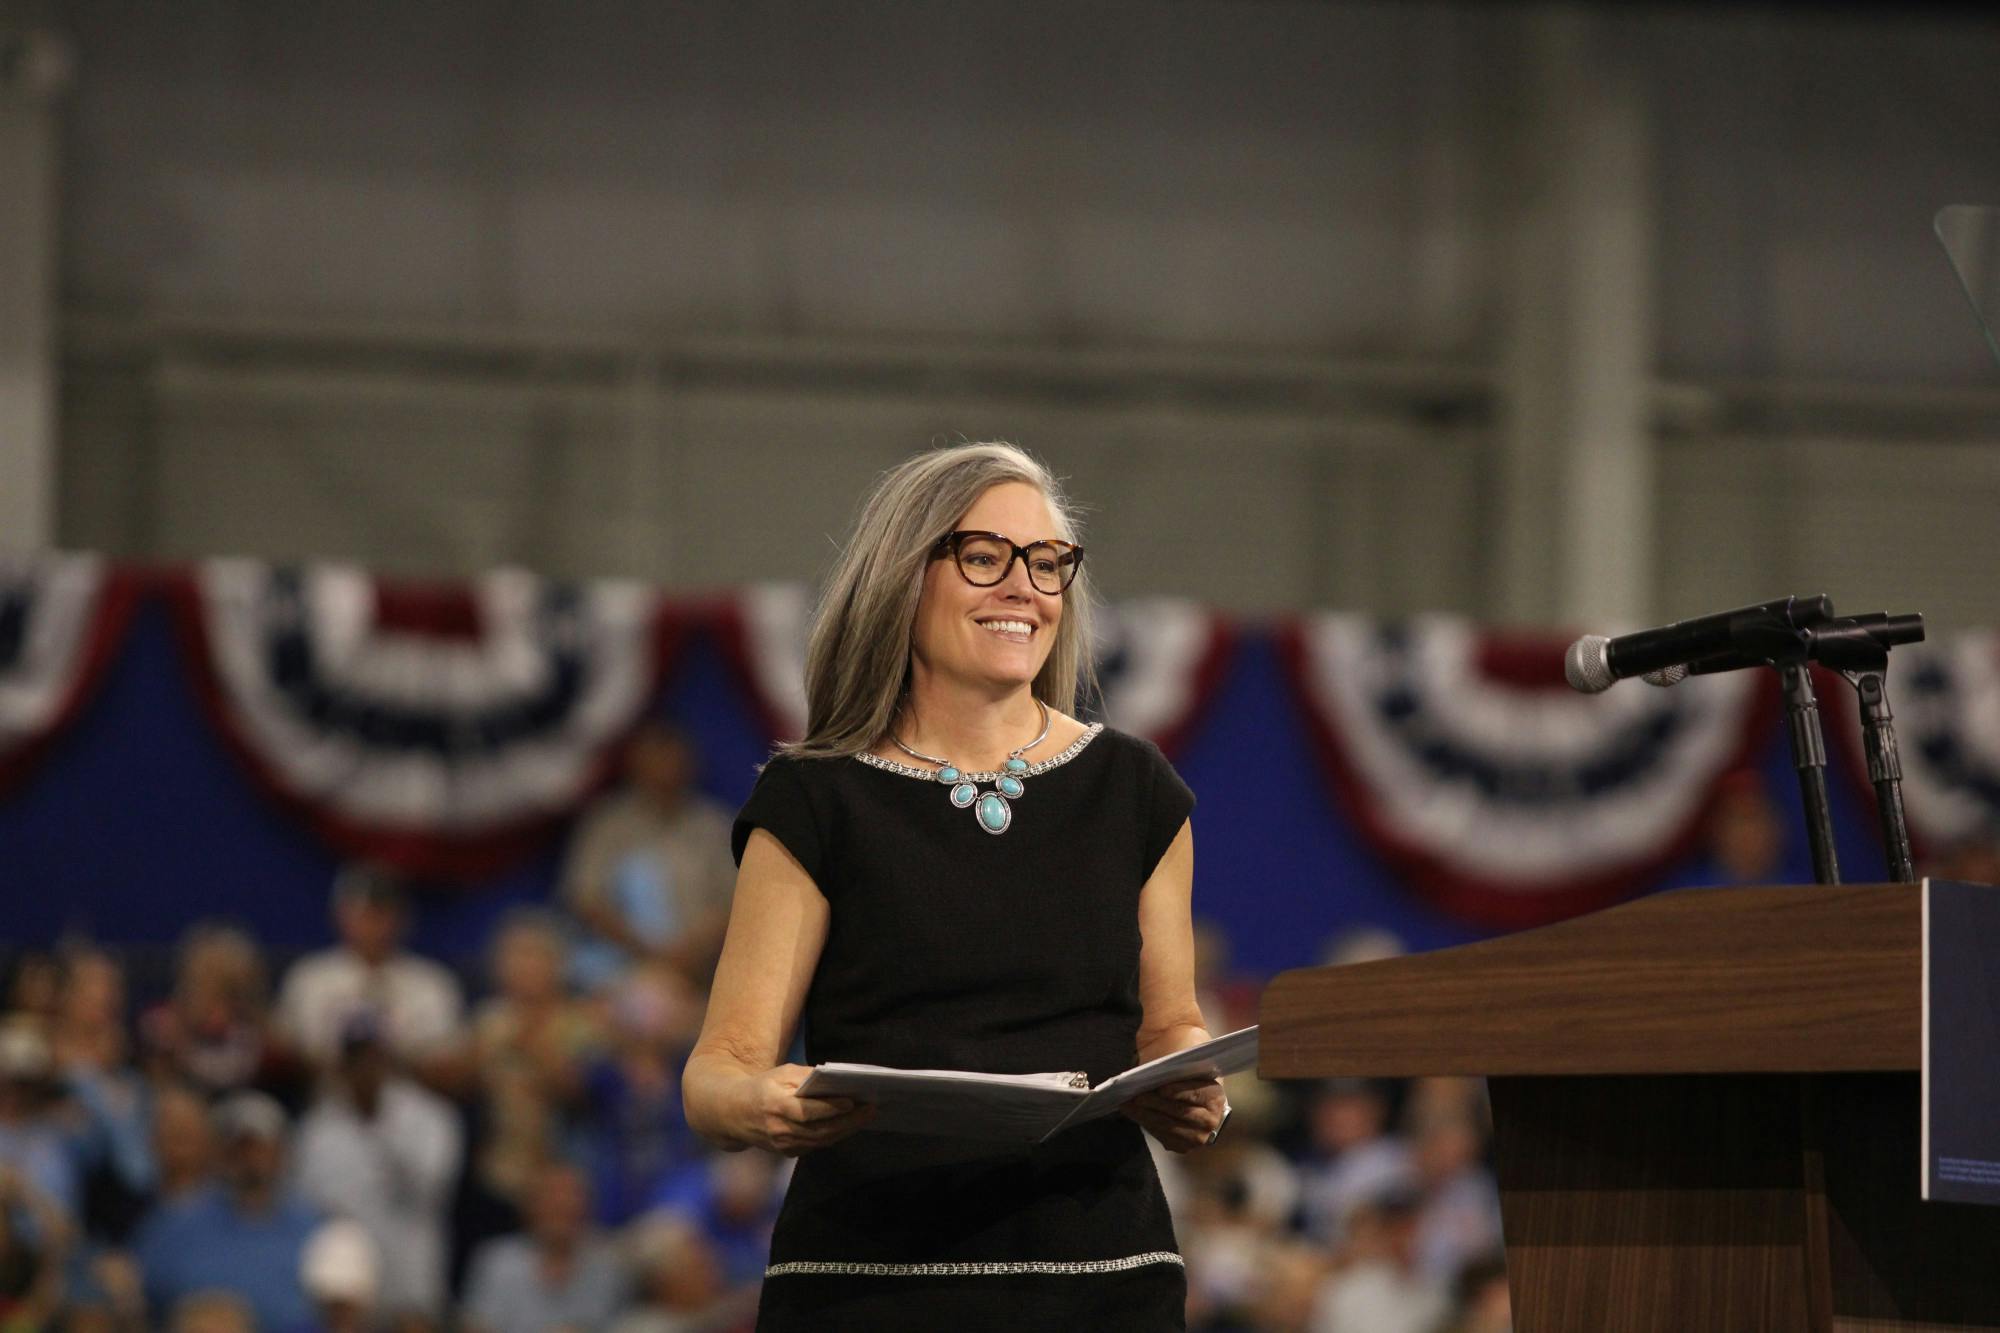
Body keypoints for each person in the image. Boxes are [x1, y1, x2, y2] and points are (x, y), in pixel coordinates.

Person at [681, 442, 1228, 1330]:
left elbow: (1171, 1027)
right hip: (869, 1282)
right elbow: (718, 1071)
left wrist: (1193, 1089)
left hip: (1099, 1281)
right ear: (906, 575)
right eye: (985, 557)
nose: (1025, 587)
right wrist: (762, 1103)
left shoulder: (1135, 788)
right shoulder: (819, 798)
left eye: (1047, 563)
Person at [559, 721, 738, 990]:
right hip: (620, 973)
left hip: (703, 971)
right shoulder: (608, 824)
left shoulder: (714, 825)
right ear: (634, 764)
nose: (666, 768)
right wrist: (647, 952)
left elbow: (736, 901)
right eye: (656, 758)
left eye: (673, 758)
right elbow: (586, 899)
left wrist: (688, 951)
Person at [275, 868, 464, 1082]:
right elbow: (292, 1054)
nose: (372, 926)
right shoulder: (309, 978)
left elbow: (447, 1065)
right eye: (362, 914)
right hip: (327, 1097)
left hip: (410, 1098)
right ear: (341, 916)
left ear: (403, 917)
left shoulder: (432, 982)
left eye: (381, 914)